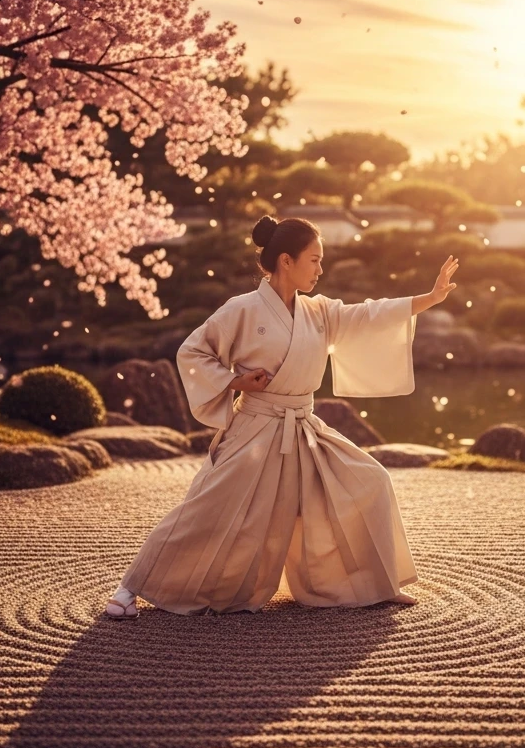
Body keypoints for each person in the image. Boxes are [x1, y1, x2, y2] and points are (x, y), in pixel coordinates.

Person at [105, 215, 459, 617]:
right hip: (254, 428)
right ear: (286, 261)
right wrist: (236, 382)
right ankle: (130, 587)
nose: (321, 269)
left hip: (304, 427)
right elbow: (193, 353)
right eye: (314, 260)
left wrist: (428, 299)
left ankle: (373, 583)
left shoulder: (319, 312)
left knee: (370, 479)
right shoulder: (241, 309)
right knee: (208, 509)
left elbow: (367, 314)